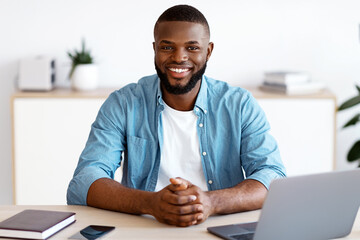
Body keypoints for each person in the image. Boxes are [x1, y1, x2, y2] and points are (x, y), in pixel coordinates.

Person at [67, 4, 286, 227]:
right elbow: (84, 181)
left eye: (192, 48)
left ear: (208, 51)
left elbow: (272, 176)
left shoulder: (240, 105)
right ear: (155, 48)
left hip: (220, 227)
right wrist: (151, 203)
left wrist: (211, 202)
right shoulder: (123, 103)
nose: (179, 58)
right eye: (167, 47)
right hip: (144, 227)